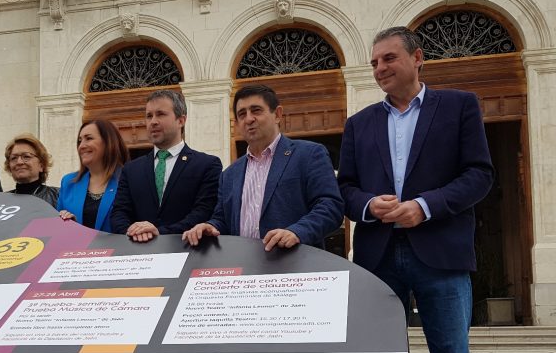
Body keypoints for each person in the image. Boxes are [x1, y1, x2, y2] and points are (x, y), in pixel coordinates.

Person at [336, 26, 497, 353]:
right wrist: (369, 205)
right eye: (374, 62)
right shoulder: (360, 123)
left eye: (389, 58)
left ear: (417, 58)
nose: (380, 68)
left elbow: (479, 175)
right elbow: (345, 189)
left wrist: (425, 206)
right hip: (378, 259)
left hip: (440, 259)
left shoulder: (459, 106)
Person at [182, 84, 343, 251]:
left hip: (294, 261)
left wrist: (297, 232)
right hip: (243, 263)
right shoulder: (229, 175)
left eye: (256, 110)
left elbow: (331, 206)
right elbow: (222, 220)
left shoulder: (309, 155)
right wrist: (210, 226)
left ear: (277, 114)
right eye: (242, 114)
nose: (249, 119)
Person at [110, 90, 222, 242]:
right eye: (149, 116)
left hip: (187, 249)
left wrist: (159, 233)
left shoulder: (207, 165)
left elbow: (203, 212)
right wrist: (134, 233)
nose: (153, 121)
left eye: (160, 114)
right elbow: (119, 213)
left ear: (181, 120)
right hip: (138, 250)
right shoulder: (131, 169)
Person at [55, 120, 129, 232]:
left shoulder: (130, 179)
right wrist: (67, 223)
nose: (81, 146)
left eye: (89, 138)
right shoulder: (68, 182)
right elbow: (57, 229)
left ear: (108, 142)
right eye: (79, 141)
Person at [3, 133, 60, 208]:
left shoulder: (58, 196)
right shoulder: (2, 201)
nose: (19, 162)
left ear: (41, 165)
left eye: (26, 156)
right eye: (14, 158)